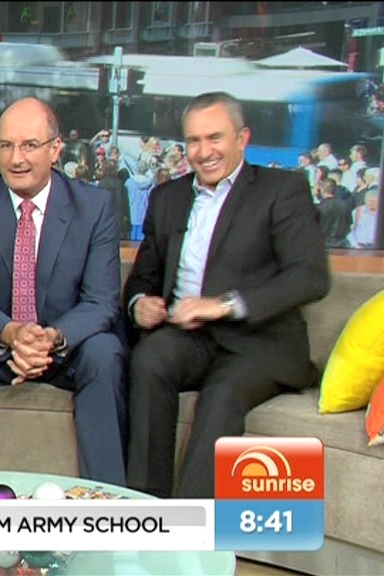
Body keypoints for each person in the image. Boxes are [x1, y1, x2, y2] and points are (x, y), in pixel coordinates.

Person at [123, 92, 330, 499]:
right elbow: (143, 277)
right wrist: (139, 304)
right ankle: (147, 507)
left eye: (214, 138)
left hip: (260, 341)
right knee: (148, 360)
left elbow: (310, 277)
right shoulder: (168, 198)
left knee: (222, 395)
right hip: (189, 338)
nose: (204, 152)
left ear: (242, 137)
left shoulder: (282, 189)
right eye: (194, 141)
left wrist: (223, 305)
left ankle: (192, 528)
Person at [0, 97, 127, 486]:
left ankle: (107, 500)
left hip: (67, 346)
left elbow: (101, 302)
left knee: (106, 352)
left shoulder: (94, 207)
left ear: (56, 149)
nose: (16, 159)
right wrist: (13, 333)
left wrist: (51, 338)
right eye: (6, 146)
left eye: (30, 145)